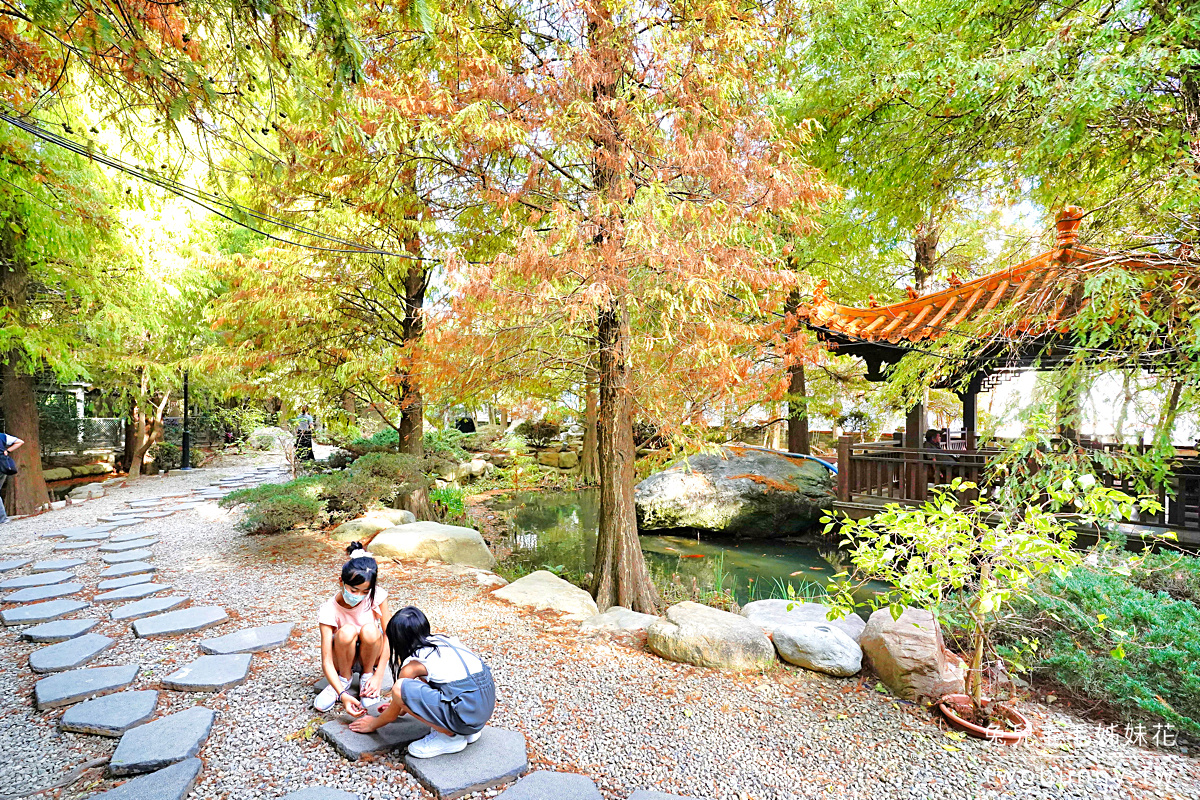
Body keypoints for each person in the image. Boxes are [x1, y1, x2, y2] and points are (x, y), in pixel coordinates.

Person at [349, 606, 496, 759]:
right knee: (423, 685)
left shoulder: (413, 664)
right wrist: (400, 706)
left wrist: (373, 724)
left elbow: (394, 708)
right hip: (482, 707)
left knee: (399, 688)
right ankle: (469, 730)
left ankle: (450, 737)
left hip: (465, 715)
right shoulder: (442, 640)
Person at [314, 543, 392, 714]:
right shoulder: (328, 609)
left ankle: (367, 677)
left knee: (371, 630)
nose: (358, 596)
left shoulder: (377, 596)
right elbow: (326, 659)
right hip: (342, 656)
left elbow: (390, 635)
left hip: (371, 655)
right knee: (347, 631)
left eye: (365, 592)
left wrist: (379, 676)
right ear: (341, 581)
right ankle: (344, 679)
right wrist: (342, 695)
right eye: (353, 590)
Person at [0, 431, 24, 525]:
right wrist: (7, 451)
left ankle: (2, 519)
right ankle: (3, 519)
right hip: (3, 466)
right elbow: (20, 442)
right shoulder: (2, 436)